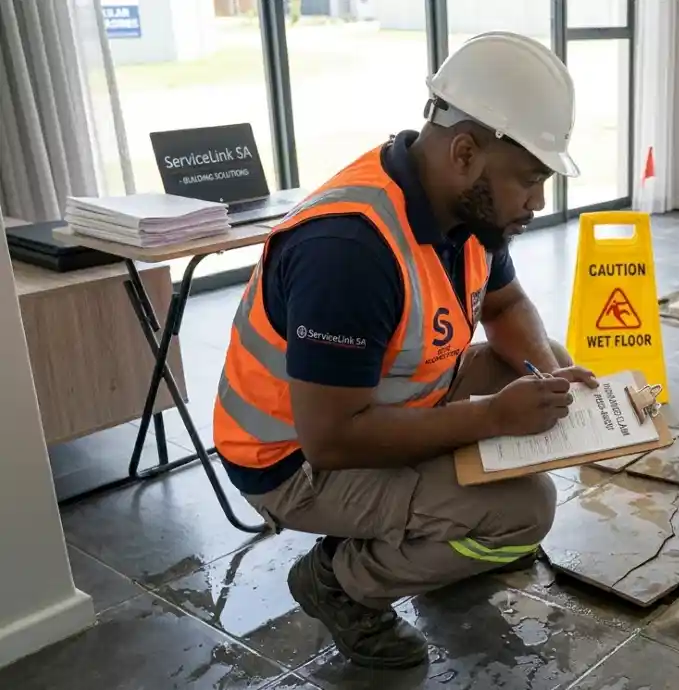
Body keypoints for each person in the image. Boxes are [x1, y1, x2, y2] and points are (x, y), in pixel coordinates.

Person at [212, 32, 595, 669]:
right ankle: (340, 581)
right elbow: (333, 441)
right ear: (466, 152)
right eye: (530, 181)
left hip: (386, 400)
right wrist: (494, 417)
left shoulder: (469, 210)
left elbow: (504, 306)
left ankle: (431, 527)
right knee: (524, 512)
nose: (538, 202)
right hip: (292, 461)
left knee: (533, 355)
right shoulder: (348, 251)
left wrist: (552, 378)